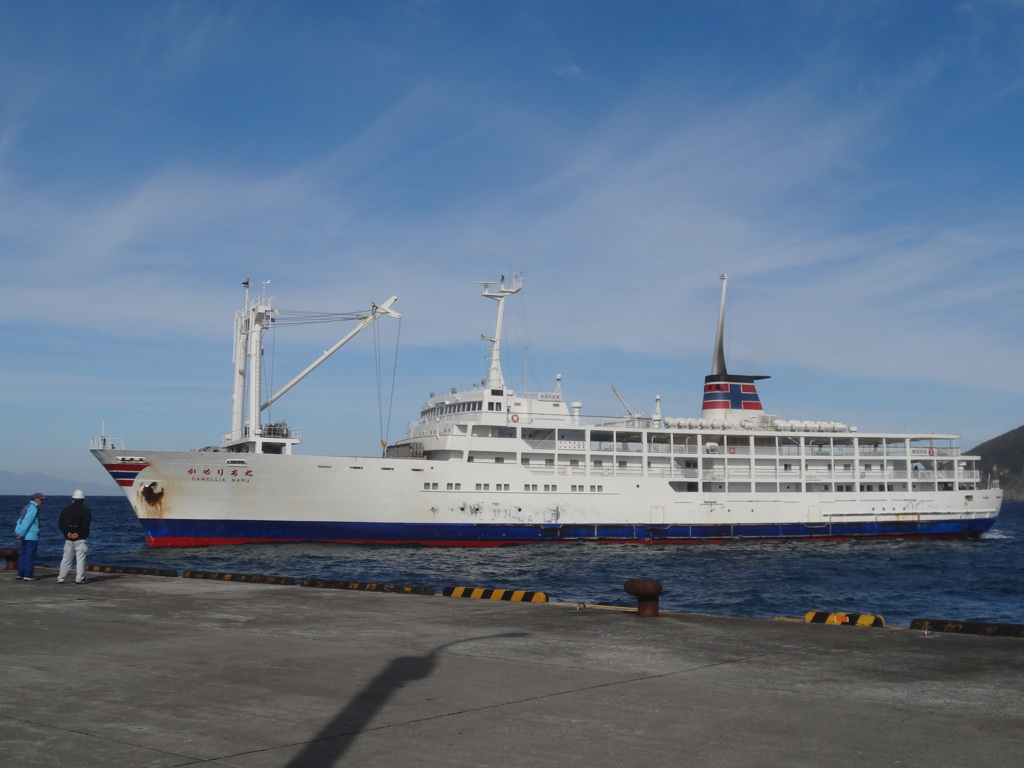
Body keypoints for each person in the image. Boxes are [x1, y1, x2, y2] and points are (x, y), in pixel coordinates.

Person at [58, 490, 92, 584]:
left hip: (68, 538)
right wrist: (78, 533)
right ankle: (79, 578)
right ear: (83, 499)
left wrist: (67, 533)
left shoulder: (66, 510)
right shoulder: (86, 511)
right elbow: (85, 525)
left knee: (66, 559)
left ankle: (61, 578)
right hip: (80, 538)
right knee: (80, 559)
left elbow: (61, 524)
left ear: (73, 498)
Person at [14, 492, 46, 581]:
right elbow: (26, 523)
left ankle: (21, 573)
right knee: (30, 555)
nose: (42, 501)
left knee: (23, 555)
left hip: (25, 536)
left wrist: (18, 532)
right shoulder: (33, 509)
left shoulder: (26, 507)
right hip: (31, 536)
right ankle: (28, 575)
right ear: (35, 499)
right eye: (41, 500)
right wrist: (21, 533)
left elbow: (19, 521)